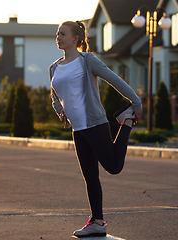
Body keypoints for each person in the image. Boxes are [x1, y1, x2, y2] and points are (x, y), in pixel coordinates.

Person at [49, 20, 142, 238]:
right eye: (57, 33)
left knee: (113, 167)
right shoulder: (54, 66)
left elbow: (113, 79)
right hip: (78, 129)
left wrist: (135, 102)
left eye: (62, 34)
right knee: (90, 176)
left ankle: (126, 122)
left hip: (95, 123)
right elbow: (54, 94)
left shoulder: (86, 60)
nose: (58, 37)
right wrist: (59, 110)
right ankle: (97, 222)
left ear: (75, 39)